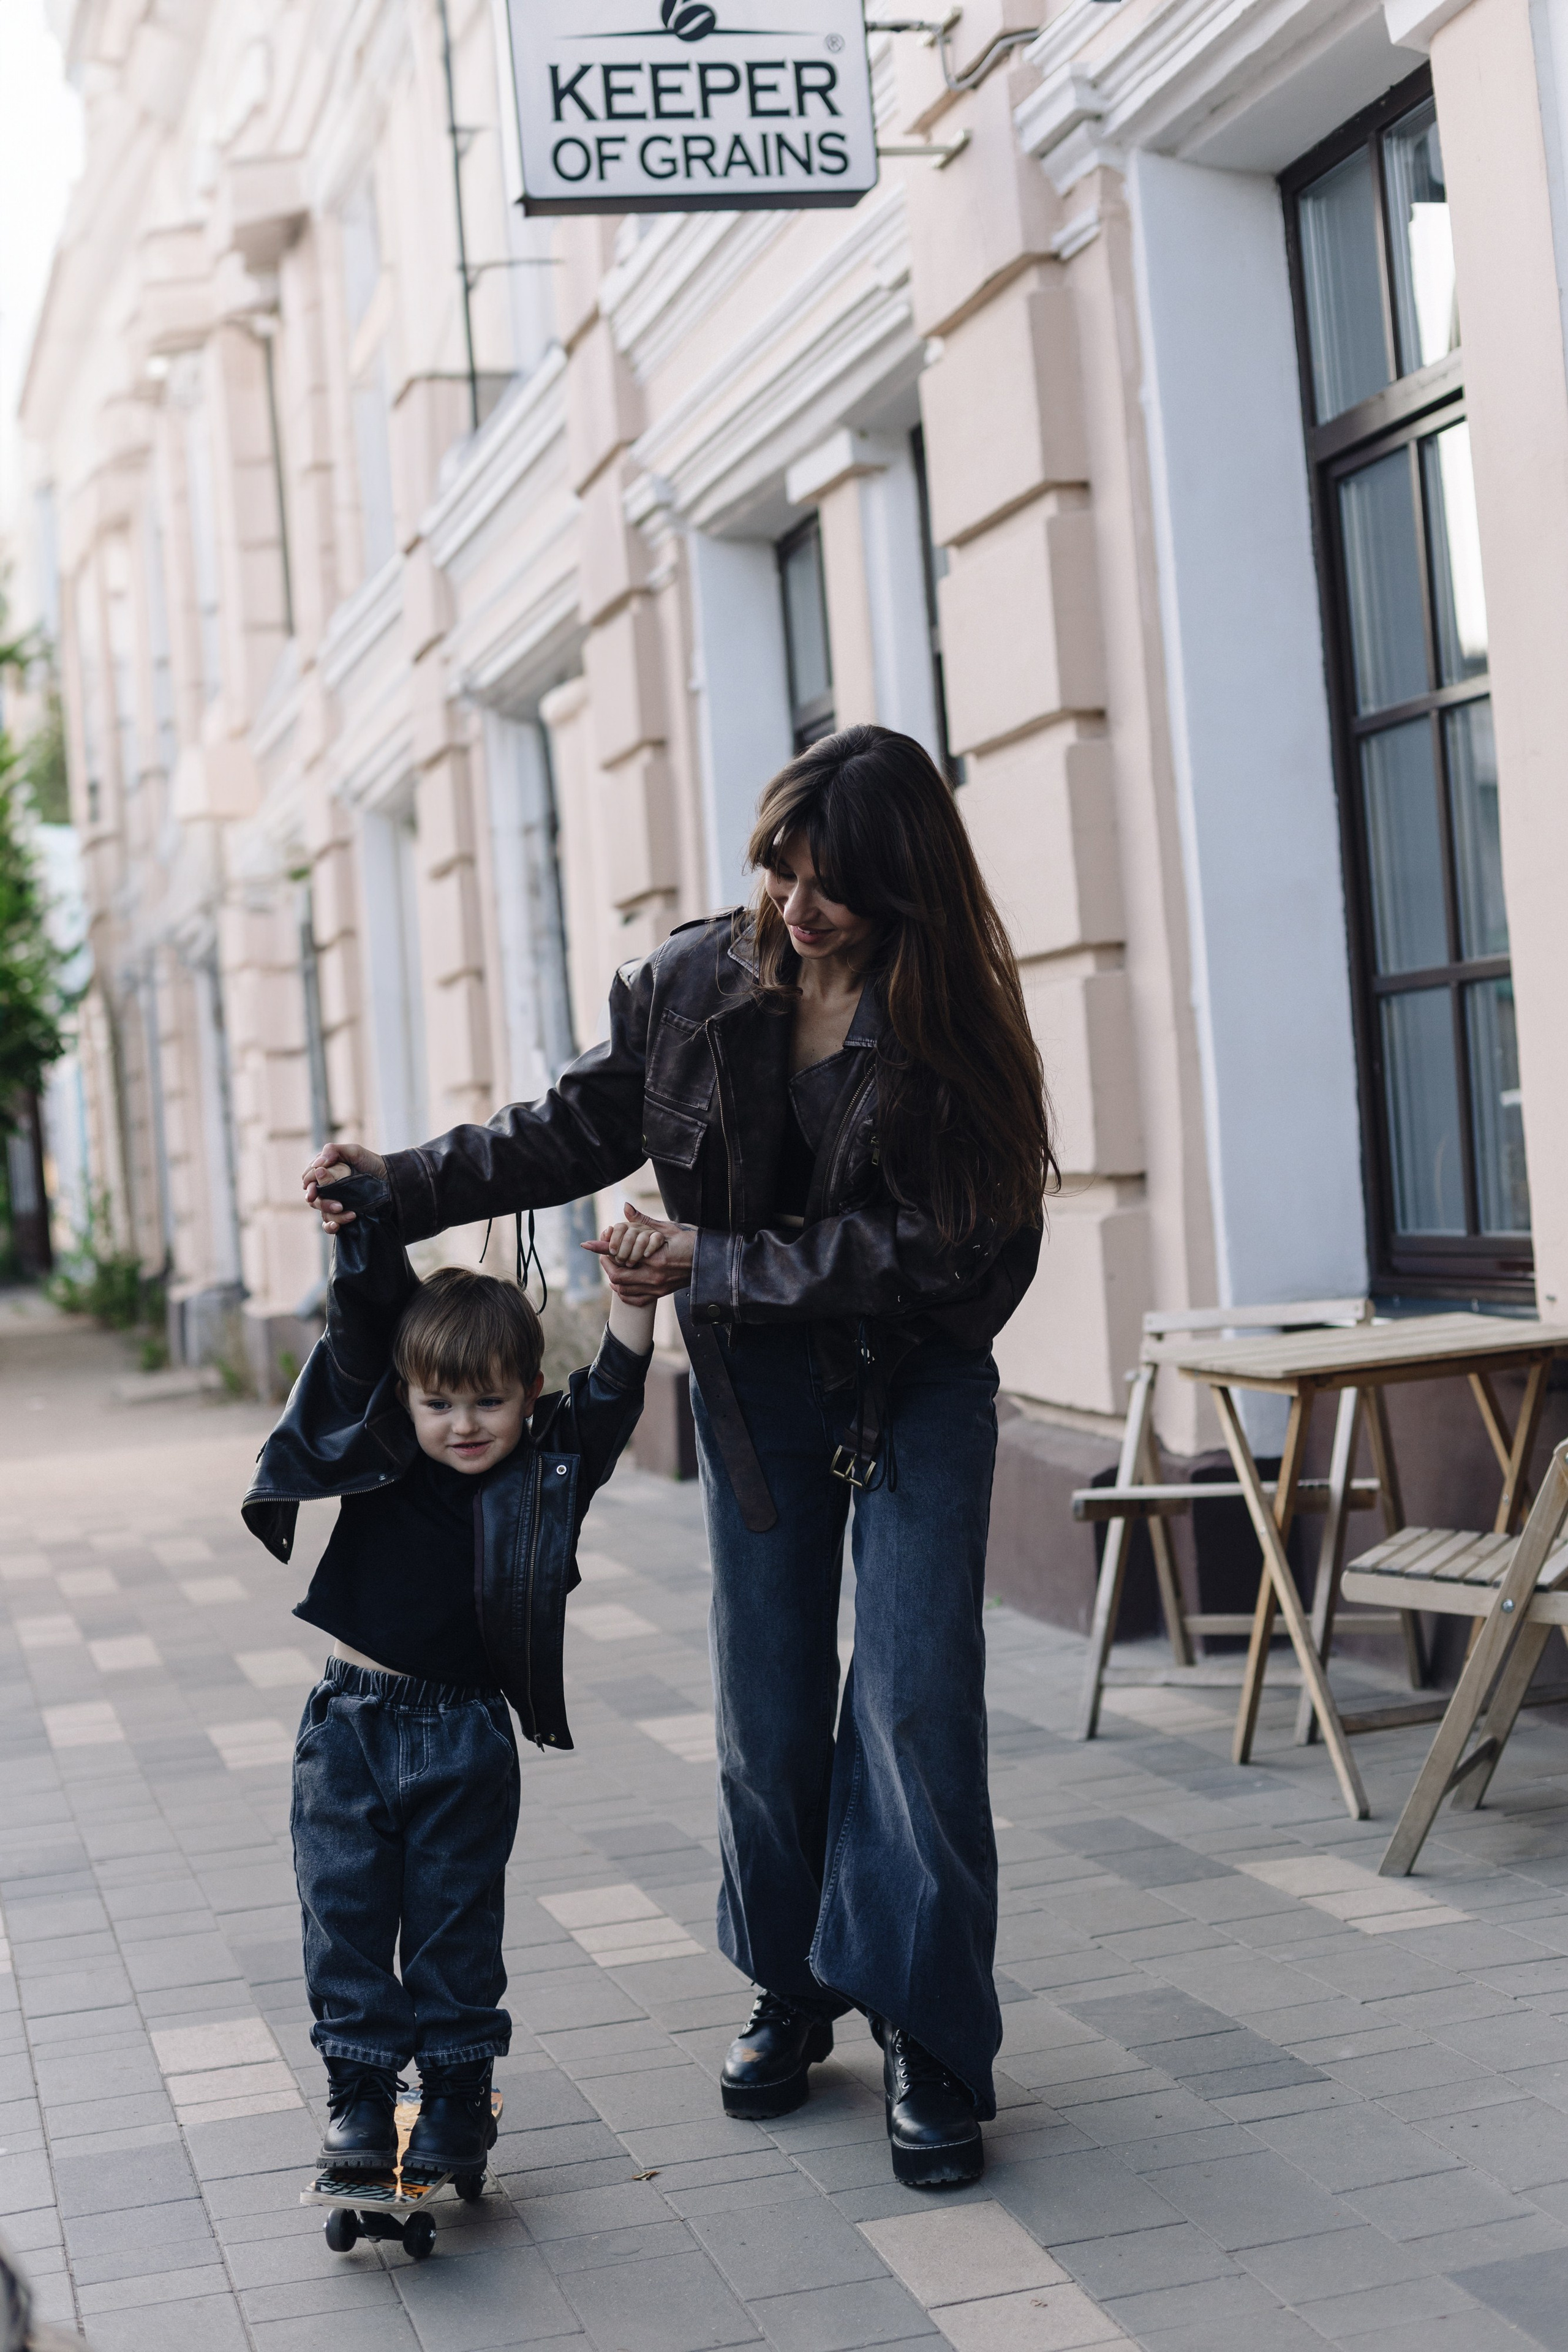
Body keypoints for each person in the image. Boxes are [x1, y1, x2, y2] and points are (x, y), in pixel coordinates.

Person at [302, 724, 1054, 2188]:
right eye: (779, 870)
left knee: (911, 1704)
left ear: (901, 881)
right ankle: (791, 1982)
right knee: (764, 1709)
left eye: (828, 882)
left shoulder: (955, 1021)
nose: (794, 906)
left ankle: (927, 2027)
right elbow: (570, 1130)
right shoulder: (694, 982)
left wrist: (713, 1256)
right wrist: (404, 1180)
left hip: (913, 1381)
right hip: (757, 1387)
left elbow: (950, 1248)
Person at [242, 1169, 654, 2185]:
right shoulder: (385, 1439)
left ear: (529, 1393)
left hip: (464, 1736)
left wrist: (636, 1302)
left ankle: (458, 2098)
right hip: (349, 1726)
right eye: (439, 1403)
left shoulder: (546, 1470)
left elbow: (609, 1398)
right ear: (406, 1395)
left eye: (490, 1402)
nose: (463, 1424)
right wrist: (363, 1213)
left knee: (453, 1925)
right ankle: (360, 2096)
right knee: (342, 1917)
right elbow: (366, 1315)